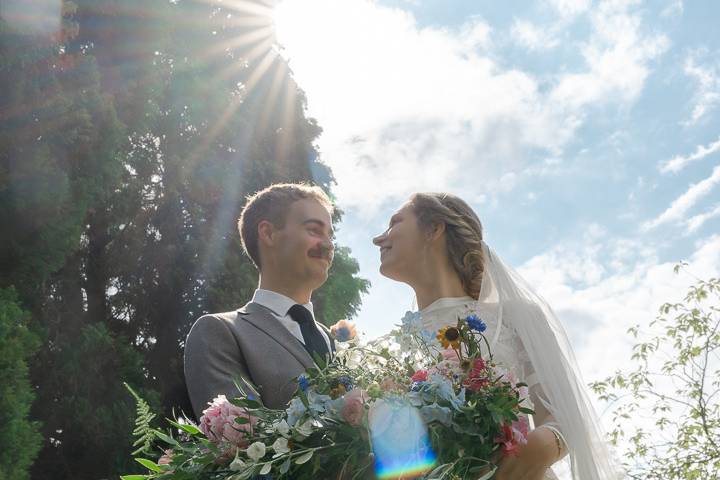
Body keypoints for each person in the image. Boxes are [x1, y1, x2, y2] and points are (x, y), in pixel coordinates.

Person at [373, 192, 619, 480]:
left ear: (434, 229)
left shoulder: (513, 318)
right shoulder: (390, 351)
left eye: (394, 223)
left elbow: (564, 417)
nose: (379, 238)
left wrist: (538, 448)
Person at [184, 183, 336, 420]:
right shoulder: (221, 332)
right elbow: (245, 443)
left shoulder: (335, 341)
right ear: (268, 234)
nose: (328, 245)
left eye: (330, 235)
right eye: (314, 230)